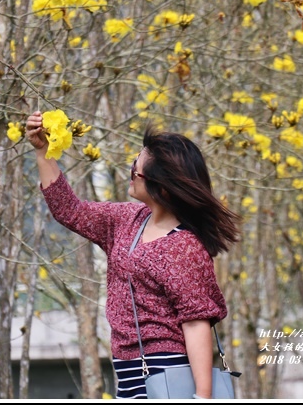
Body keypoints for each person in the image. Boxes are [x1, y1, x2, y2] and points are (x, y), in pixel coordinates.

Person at [26, 111, 240, 399]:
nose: (130, 173)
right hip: (128, 373)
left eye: (134, 170)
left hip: (168, 373)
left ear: (162, 187)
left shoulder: (185, 247)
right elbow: (70, 211)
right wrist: (43, 151)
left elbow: (195, 323)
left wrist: (202, 396)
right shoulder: (127, 220)